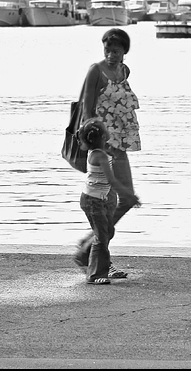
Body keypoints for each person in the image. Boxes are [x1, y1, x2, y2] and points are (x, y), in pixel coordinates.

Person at [73, 28, 142, 278]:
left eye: (116, 51)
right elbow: (87, 109)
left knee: (127, 199)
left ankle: (89, 247)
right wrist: (98, 143)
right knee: (106, 202)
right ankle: (98, 258)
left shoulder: (124, 71)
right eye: (107, 50)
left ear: (125, 51)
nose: (111, 55)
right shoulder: (96, 70)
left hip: (121, 144)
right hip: (104, 146)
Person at [76, 119, 139, 285]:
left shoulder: (99, 151)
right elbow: (112, 180)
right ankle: (95, 274)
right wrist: (128, 195)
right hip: (93, 201)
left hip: (97, 199)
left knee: (107, 232)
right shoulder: (100, 156)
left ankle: (88, 259)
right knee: (102, 236)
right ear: (104, 136)